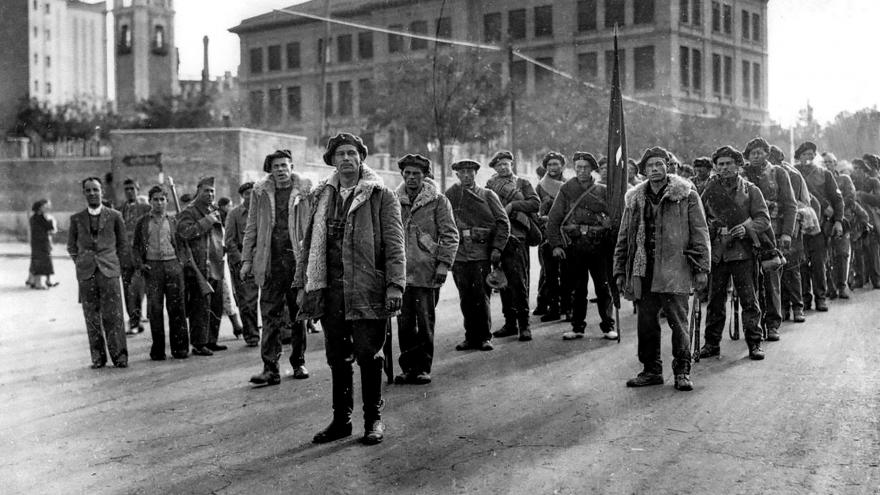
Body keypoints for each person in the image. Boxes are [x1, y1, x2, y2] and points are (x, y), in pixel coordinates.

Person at [294, 133, 405, 445]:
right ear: (332, 160)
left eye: (351, 153)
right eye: (340, 154)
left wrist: (395, 285)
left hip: (367, 289)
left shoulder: (381, 195)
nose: (346, 159)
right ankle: (341, 421)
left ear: (361, 158)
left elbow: (396, 245)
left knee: (370, 356)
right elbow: (308, 246)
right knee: (336, 357)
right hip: (332, 292)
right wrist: (303, 284)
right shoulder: (321, 196)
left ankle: (374, 420)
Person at [613, 147, 710, 391]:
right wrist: (619, 269)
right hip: (643, 269)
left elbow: (700, 233)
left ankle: (682, 371)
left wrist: (701, 268)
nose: (655, 169)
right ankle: (651, 370)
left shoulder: (686, 195)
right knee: (646, 323)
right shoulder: (634, 198)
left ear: (668, 166)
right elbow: (624, 236)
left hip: (674, 268)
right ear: (644, 171)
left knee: (678, 322)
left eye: (659, 164)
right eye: (650, 166)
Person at [242, 150, 311, 385]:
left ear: (291, 167)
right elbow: (252, 226)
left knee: (298, 314)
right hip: (270, 263)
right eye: (276, 166)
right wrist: (247, 261)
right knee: (269, 315)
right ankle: (270, 368)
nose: (280, 170)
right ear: (270, 170)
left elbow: (310, 226)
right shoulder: (260, 193)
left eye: (284, 165)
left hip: (296, 262)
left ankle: (298, 362)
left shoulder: (304, 191)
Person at [700, 146, 771, 361]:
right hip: (719, 252)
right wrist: (711, 229)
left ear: (738, 165)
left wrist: (747, 229)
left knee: (749, 300)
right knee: (715, 301)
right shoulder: (709, 190)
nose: (724, 168)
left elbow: (763, 219)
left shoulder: (751, 190)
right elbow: (699, 219)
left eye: (729, 163)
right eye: (720, 164)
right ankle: (712, 344)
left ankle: (755, 342)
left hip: (742, 252)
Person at [393, 154, 459, 385]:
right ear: (403, 174)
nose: (411, 178)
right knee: (404, 323)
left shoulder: (439, 201)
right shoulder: (393, 200)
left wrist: (443, 264)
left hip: (427, 272)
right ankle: (408, 367)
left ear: (425, 176)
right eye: (407, 173)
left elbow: (450, 235)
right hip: (400, 273)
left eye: (416, 174)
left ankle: (422, 367)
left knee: (424, 323)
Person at [546, 152, 617, 340]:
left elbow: (614, 219)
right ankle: (577, 327)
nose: (582, 171)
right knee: (578, 288)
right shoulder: (566, 190)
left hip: (599, 246)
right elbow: (553, 220)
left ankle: (608, 326)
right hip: (575, 246)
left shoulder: (603, 191)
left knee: (603, 288)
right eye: (578, 167)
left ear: (592, 169)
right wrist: (556, 245)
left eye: (585, 167)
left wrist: (608, 225)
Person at [446, 159, 510, 352]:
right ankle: (470, 337)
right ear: (457, 175)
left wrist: (497, 249)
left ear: (476, 174)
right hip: (460, 254)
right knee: (465, 298)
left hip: (481, 253)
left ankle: (484, 336)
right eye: (462, 172)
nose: (466, 175)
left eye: (470, 172)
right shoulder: (451, 195)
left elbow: (503, 223)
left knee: (481, 296)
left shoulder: (488, 195)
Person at [67, 177, 130, 369]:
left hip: (109, 271)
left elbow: (123, 244)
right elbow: (71, 246)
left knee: (114, 315)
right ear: (84, 193)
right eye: (88, 190)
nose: (92, 193)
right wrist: (81, 262)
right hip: (87, 273)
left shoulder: (114, 216)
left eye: (96, 189)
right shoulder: (76, 219)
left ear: (102, 191)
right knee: (91, 316)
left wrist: (114, 264)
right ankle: (97, 357)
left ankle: (119, 356)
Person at [741, 137, 797, 342]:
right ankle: (754, 324)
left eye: (761, 152)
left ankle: (773, 323)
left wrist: (787, 233)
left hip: (772, 231)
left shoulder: (778, 173)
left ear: (767, 153)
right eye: (753, 153)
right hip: (747, 231)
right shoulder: (741, 174)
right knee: (749, 279)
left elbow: (790, 205)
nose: (757, 156)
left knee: (771, 277)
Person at [486, 150, 540, 342]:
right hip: (499, 239)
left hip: (518, 237)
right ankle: (510, 323)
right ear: (494, 168)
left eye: (506, 164)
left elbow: (535, 203)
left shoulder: (522, 183)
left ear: (511, 165)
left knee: (519, 282)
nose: (503, 167)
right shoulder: (490, 186)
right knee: (502, 282)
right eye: (499, 165)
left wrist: (513, 207)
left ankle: (524, 326)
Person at [132, 185, 189, 360]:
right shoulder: (143, 222)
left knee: (177, 308)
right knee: (155, 309)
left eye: (162, 199)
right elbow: (135, 247)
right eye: (155, 199)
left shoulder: (173, 221)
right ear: (150, 201)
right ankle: (158, 350)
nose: (159, 203)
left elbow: (183, 246)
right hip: (152, 268)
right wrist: (141, 265)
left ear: (167, 201)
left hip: (172, 266)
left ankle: (180, 349)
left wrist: (180, 264)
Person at [177, 176, 227, 356]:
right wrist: (206, 221)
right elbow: (184, 233)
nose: (210, 194)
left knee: (216, 305)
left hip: (216, 263)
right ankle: (199, 343)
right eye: (206, 190)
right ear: (198, 191)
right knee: (200, 306)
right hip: (199, 266)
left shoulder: (213, 209)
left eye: (212, 191)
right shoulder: (189, 212)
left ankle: (211, 340)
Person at [794, 142, 844, 312]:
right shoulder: (792, 173)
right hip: (798, 227)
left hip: (820, 227)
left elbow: (838, 200)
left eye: (810, 154)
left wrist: (838, 221)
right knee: (801, 265)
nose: (807, 158)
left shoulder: (825, 174)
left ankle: (820, 298)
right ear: (798, 157)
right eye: (803, 154)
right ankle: (805, 299)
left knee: (818, 264)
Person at [535, 151, 570, 322]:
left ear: (562, 166)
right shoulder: (541, 186)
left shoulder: (569, 184)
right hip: (547, 233)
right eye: (549, 165)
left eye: (556, 164)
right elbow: (536, 207)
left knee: (567, 272)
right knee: (549, 272)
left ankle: (567, 307)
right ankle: (551, 307)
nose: (553, 167)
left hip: (566, 233)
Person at [225, 182, 260, 347]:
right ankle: (252, 335)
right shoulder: (234, 214)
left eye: (254, 192)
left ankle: (281, 334)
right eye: (247, 193)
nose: (251, 196)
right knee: (247, 302)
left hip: (264, 261)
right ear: (242, 196)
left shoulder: (264, 211)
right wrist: (241, 260)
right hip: (244, 262)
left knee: (272, 300)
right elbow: (230, 241)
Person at [822, 152, 858, 299]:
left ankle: (842, 286)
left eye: (830, 162)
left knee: (842, 254)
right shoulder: (820, 180)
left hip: (843, 221)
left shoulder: (844, 179)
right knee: (827, 255)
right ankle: (831, 287)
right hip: (824, 221)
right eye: (825, 162)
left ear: (835, 163)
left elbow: (850, 197)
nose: (828, 164)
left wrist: (837, 211)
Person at [119, 178, 151, 334]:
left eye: (132, 188)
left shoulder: (146, 209)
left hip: (141, 256)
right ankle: (133, 321)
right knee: (126, 290)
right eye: (127, 189)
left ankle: (136, 321)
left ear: (138, 190)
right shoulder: (120, 210)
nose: (130, 192)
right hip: (124, 257)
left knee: (137, 289)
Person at [28, 199, 57, 290]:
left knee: (42, 260)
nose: (47, 208)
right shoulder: (40, 217)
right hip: (41, 242)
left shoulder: (35, 217)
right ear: (40, 208)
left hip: (39, 242)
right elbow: (50, 228)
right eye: (45, 206)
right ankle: (38, 283)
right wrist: (50, 220)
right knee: (41, 261)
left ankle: (35, 280)